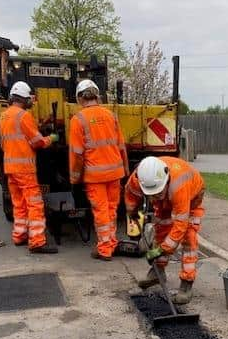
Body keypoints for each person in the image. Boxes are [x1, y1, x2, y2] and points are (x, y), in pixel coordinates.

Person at [125, 156, 205, 304]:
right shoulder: (140, 177)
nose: (155, 196)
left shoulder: (179, 185)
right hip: (169, 196)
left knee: (188, 236)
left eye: (158, 192)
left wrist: (161, 250)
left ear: (166, 177)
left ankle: (187, 285)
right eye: (152, 194)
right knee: (161, 228)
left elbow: (180, 225)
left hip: (192, 196)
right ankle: (157, 272)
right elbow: (130, 193)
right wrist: (132, 210)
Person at [69, 79, 129, 261]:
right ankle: (110, 243)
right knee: (111, 210)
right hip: (115, 173)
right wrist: (125, 169)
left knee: (101, 211)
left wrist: (75, 178)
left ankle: (104, 249)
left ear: (80, 98)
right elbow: (121, 147)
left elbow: (77, 154)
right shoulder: (111, 116)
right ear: (97, 95)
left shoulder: (78, 120)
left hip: (95, 176)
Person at [0, 81, 59, 253]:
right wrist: (51, 139)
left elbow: (18, 137)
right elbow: (37, 142)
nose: (31, 101)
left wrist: (39, 127)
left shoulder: (4, 115)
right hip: (24, 169)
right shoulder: (23, 116)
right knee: (34, 204)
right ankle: (37, 242)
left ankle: (20, 235)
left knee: (19, 203)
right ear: (24, 99)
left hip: (10, 167)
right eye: (30, 98)